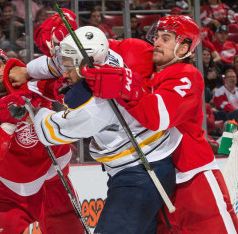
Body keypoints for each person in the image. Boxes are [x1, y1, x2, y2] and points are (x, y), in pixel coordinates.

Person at [9, 24, 177, 233]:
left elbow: (48, 133)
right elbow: (57, 64)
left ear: (85, 65)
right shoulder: (109, 58)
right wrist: (28, 72)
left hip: (139, 176)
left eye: (70, 66)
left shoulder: (94, 108)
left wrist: (34, 106)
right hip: (152, 167)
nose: (64, 72)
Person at [80, 15, 238, 233]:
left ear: (183, 49)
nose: (157, 43)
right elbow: (103, 48)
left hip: (193, 178)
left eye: (166, 38)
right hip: (156, 180)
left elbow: (158, 116)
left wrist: (124, 85)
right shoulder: (146, 68)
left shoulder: (187, 75)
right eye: (157, 37)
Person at [0, 45, 84, 233]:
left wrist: (61, 87)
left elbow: (67, 90)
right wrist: (7, 120)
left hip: (54, 183)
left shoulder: (32, 83)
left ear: (8, 66)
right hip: (10, 192)